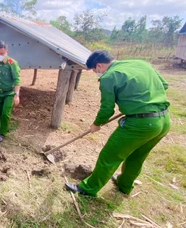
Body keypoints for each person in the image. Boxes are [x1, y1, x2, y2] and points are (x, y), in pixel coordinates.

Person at [65, 50, 171, 197]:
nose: (97, 73)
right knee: (137, 156)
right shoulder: (140, 63)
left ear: (100, 66)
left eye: (95, 71)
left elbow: (107, 109)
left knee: (109, 156)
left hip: (140, 124)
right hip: (163, 120)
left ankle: (88, 188)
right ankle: (125, 185)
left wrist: (97, 124)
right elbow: (164, 85)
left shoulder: (109, 76)